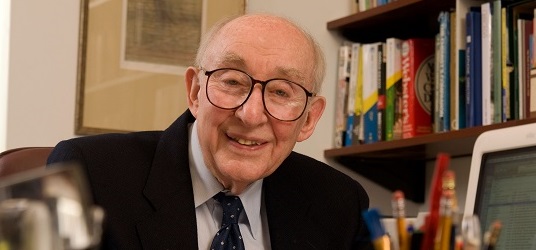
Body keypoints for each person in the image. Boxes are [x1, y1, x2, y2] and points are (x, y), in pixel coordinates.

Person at [47, 13, 373, 249]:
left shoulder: (339, 203)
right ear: (194, 92)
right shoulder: (89, 172)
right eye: (232, 81)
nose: (251, 114)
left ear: (310, 119)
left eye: (281, 92)